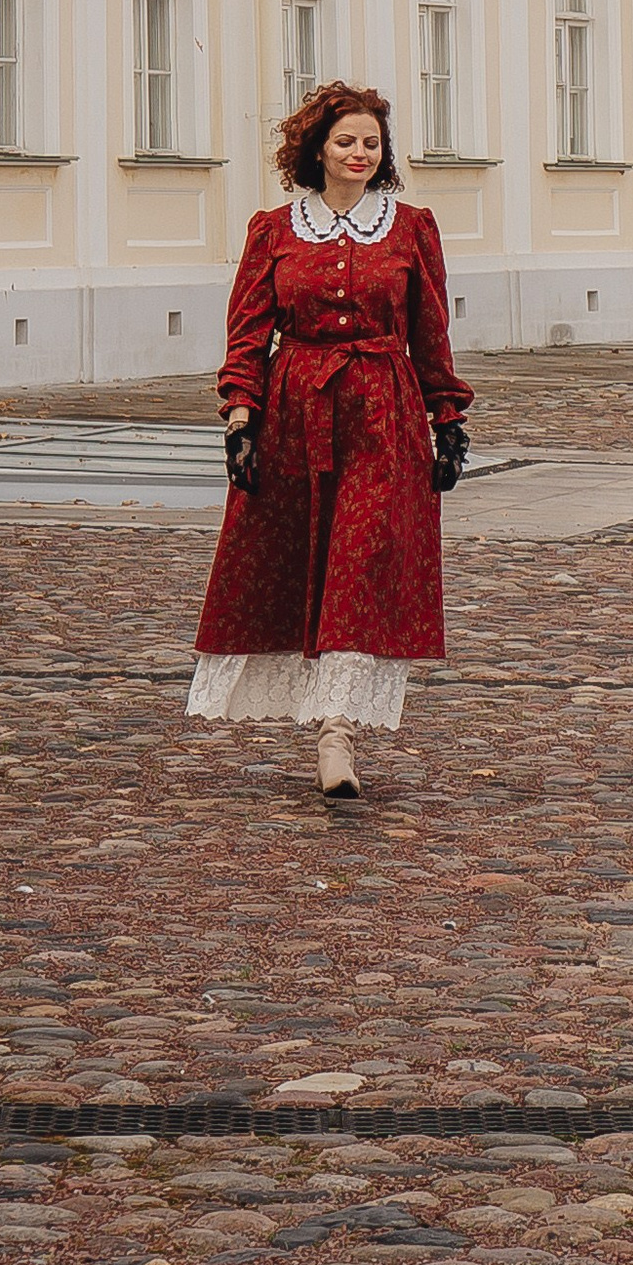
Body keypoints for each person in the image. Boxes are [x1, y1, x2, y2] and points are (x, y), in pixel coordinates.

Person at [187, 82, 470, 798]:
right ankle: (324, 722)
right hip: (295, 413)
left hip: (384, 416)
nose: (359, 153)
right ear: (317, 149)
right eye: (346, 141)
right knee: (300, 562)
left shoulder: (411, 229)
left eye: (372, 143)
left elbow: (431, 332)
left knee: (360, 561)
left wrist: (447, 419)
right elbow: (247, 335)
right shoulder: (274, 230)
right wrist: (240, 419)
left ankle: (337, 732)